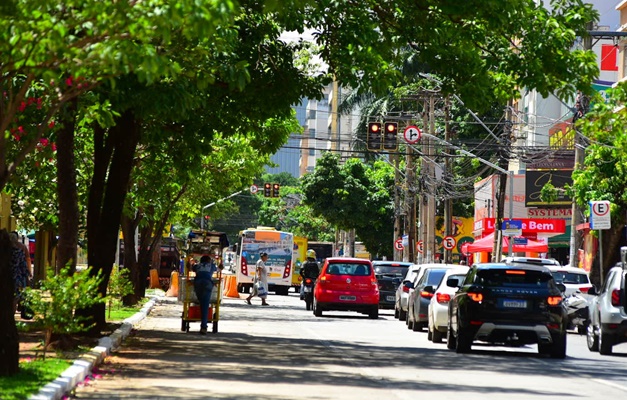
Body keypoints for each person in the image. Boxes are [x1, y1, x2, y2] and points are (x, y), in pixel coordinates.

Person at [192, 253, 222, 334]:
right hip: (207, 283)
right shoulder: (211, 266)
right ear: (209, 261)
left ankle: (200, 304)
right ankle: (203, 327)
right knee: (205, 305)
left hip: (197, 283)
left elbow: (191, 268)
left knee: (201, 301)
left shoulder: (197, 265)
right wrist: (220, 266)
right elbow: (219, 269)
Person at [10, 231, 31, 314]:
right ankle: (12, 314)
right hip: (17, 278)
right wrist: (28, 275)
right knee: (15, 297)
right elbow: (24, 265)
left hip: (5, 278)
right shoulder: (20, 251)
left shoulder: (4, 251)